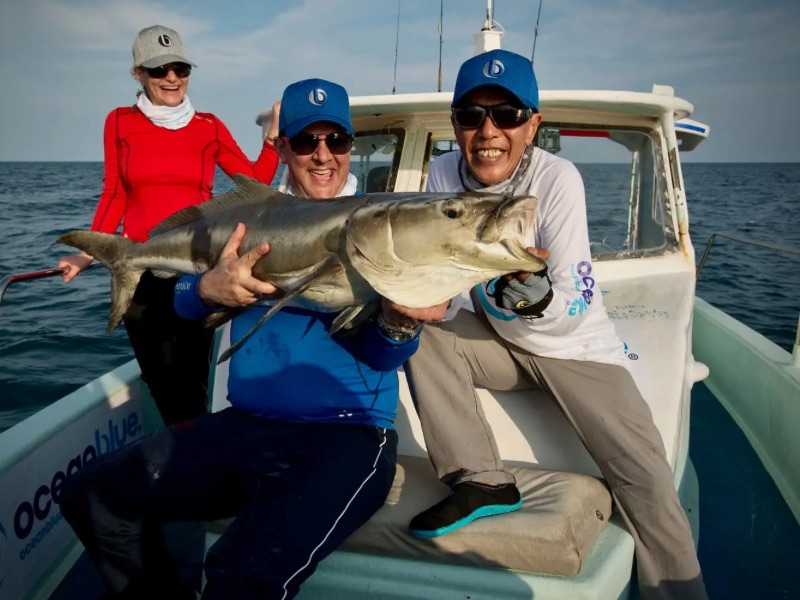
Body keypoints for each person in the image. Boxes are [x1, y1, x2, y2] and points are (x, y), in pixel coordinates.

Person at [58, 78, 423, 600]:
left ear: (351, 146)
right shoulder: (245, 223)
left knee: (240, 574)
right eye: (305, 142)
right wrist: (208, 289)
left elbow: (384, 355)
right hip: (243, 428)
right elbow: (182, 304)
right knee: (89, 495)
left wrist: (402, 320)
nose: (323, 156)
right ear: (281, 149)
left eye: (337, 141)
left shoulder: (379, 225)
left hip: (348, 437)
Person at [391, 49, 708, 600]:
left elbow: (578, 297)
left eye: (507, 114)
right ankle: (481, 479)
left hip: (573, 346)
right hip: (497, 338)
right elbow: (447, 275)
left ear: (533, 123)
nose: (488, 130)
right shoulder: (442, 173)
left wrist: (536, 300)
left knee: (647, 481)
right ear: (455, 125)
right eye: (470, 115)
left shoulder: (557, 179)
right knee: (422, 331)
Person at [58, 25, 280, 425]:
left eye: (180, 67)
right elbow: (114, 193)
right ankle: (183, 457)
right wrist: (88, 252)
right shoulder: (119, 122)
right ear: (138, 73)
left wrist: (270, 142)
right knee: (160, 380)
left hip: (194, 272)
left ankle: (194, 463)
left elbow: (253, 183)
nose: (172, 78)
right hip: (139, 269)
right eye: (160, 70)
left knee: (191, 380)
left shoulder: (208, 127)